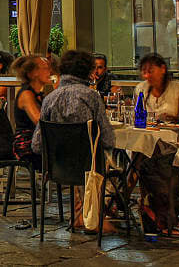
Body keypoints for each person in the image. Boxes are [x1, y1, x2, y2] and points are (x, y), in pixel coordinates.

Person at [33, 50, 116, 232]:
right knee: (109, 160)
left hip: (57, 168)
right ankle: (96, 214)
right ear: (87, 71)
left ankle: (80, 214)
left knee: (84, 156)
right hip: (88, 168)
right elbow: (109, 139)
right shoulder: (91, 97)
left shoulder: (49, 99)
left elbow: (37, 145)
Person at [11, 55, 52, 168]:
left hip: (37, 141)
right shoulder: (27, 94)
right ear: (33, 73)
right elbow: (39, 121)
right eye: (45, 68)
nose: (49, 71)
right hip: (27, 145)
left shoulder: (38, 94)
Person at [134, 53, 179, 123]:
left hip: (174, 132)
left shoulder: (178, 88)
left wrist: (175, 119)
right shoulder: (140, 89)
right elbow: (136, 115)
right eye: (144, 72)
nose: (147, 76)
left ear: (163, 69)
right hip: (148, 132)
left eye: (151, 71)